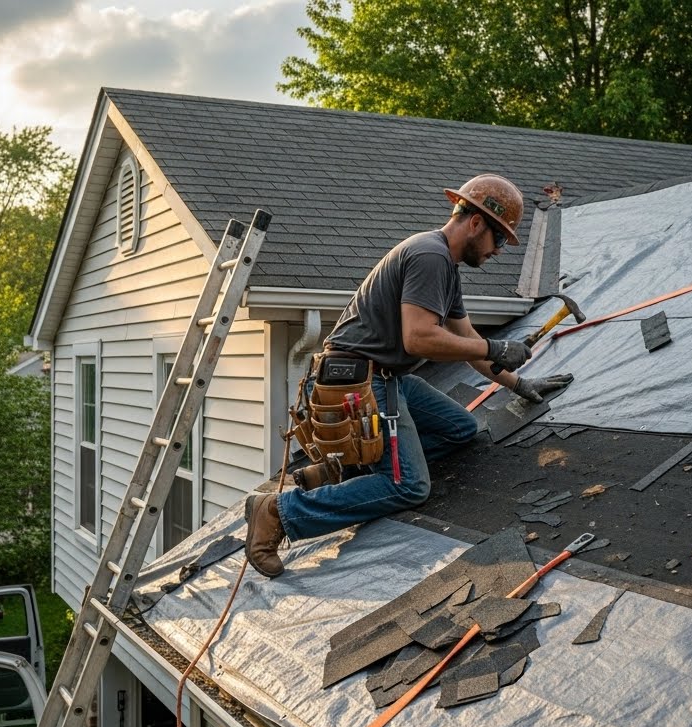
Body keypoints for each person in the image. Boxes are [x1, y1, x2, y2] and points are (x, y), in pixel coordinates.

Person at [244, 174, 573, 578]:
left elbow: (466, 339)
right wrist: (495, 348)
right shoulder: (430, 256)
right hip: (357, 383)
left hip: (380, 379)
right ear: (475, 223)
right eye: (500, 239)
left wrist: (519, 384)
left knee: (460, 428)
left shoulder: (445, 268)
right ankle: (279, 512)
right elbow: (418, 338)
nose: (498, 251)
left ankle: (345, 476)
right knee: (410, 486)